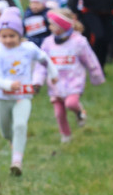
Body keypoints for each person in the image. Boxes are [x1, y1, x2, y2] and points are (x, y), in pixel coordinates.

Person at [0, 8, 56, 175]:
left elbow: (44, 59)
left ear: (19, 34)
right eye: (4, 36)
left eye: (12, 36)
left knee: (20, 125)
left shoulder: (28, 48)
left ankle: (16, 161)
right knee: (6, 131)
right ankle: (12, 141)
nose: (8, 40)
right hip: (2, 97)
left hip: (23, 96)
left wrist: (53, 73)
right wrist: (7, 85)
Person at [42, 9, 104, 142]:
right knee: (59, 113)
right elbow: (41, 64)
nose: (50, 27)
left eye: (53, 24)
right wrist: (37, 81)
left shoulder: (78, 42)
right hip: (55, 84)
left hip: (74, 81)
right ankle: (66, 135)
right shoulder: (48, 43)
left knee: (71, 103)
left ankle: (79, 112)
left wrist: (96, 75)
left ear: (62, 26)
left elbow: (90, 59)